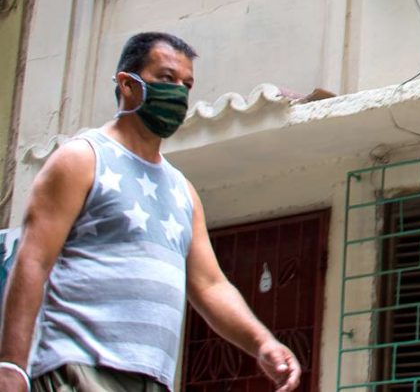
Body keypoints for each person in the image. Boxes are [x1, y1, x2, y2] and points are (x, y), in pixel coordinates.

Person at [0, 33, 300, 392]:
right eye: (167, 79)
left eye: (186, 85)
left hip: (153, 379)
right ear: (128, 84)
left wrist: (262, 342)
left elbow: (209, 285)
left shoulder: (182, 190)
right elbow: (32, 261)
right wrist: (12, 366)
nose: (179, 93)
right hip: (80, 368)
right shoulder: (82, 158)